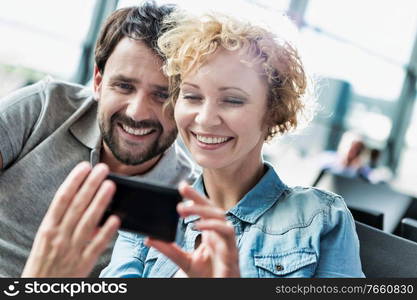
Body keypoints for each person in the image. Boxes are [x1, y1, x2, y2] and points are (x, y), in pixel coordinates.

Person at [23, 10, 364, 278]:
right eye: (192, 96)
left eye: (232, 100)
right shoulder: (151, 210)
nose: (205, 118)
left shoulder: (321, 219)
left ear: (273, 111)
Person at [0, 2, 196, 277]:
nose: (137, 112)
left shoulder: (190, 199)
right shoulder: (43, 107)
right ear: (98, 82)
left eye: (163, 95)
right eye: (124, 86)